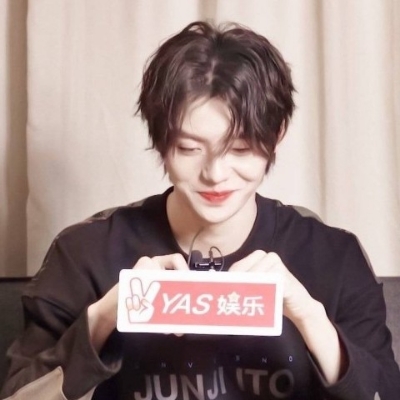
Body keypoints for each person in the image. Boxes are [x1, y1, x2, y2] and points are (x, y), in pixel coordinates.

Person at [1, 20, 399, 400]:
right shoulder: (86, 253)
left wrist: (309, 317)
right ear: (160, 141)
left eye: (241, 148)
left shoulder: (333, 257)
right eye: (189, 148)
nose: (215, 174)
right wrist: (105, 315)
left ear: (276, 135)